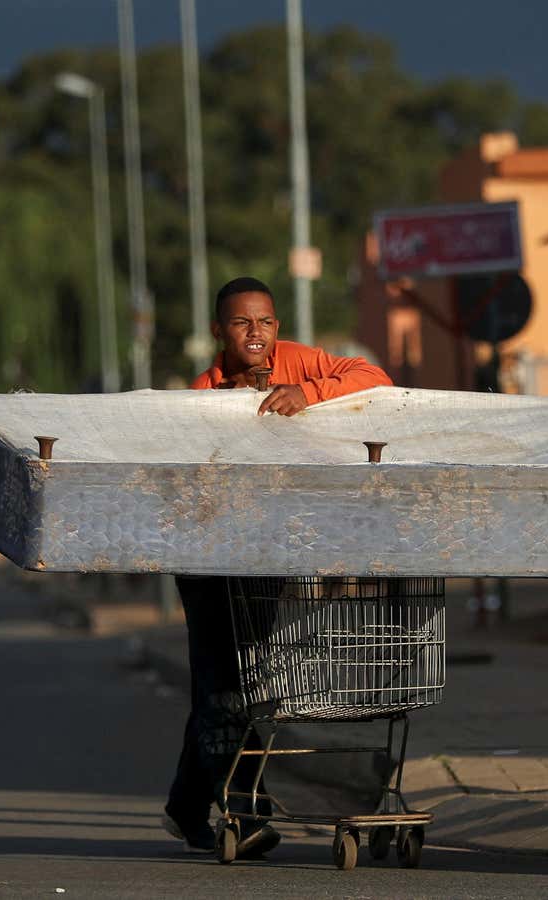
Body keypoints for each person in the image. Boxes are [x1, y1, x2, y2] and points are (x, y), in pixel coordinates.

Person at [162, 276, 393, 856]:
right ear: (220, 332)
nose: (255, 334)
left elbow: (375, 378)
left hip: (270, 551)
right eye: (241, 324)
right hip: (210, 557)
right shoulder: (203, 390)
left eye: (264, 322)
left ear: (278, 327)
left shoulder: (300, 362)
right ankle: (245, 809)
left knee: (244, 685)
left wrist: (306, 395)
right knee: (223, 689)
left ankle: (190, 808)